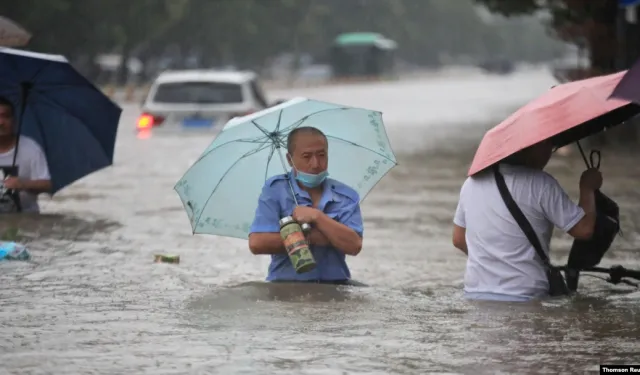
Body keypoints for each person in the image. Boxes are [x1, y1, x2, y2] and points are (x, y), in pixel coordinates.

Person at [452, 140, 603, 301]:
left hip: (475, 294)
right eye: (547, 147)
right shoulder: (542, 183)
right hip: (525, 295)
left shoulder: (471, 184)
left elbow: (458, 239)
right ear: (529, 149)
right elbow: (583, 229)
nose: (548, 155)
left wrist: (495, 259)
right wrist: (587, 188)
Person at [248, 126, 364, 284]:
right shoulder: (275, 190)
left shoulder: (346, 196)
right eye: (307, 156)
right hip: (285, 286)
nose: (316, 164)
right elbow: (257, 243)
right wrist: (317, 236)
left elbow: (354, 245)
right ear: (290, 159)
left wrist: (317, 217)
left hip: (335, 286)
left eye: (321, 155)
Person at [0, 96, 52, 213]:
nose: (1, 122)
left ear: (14, 120)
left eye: (6, 116)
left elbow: (47, 184)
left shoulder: (30, 148)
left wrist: (23, 184)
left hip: (25, 217)